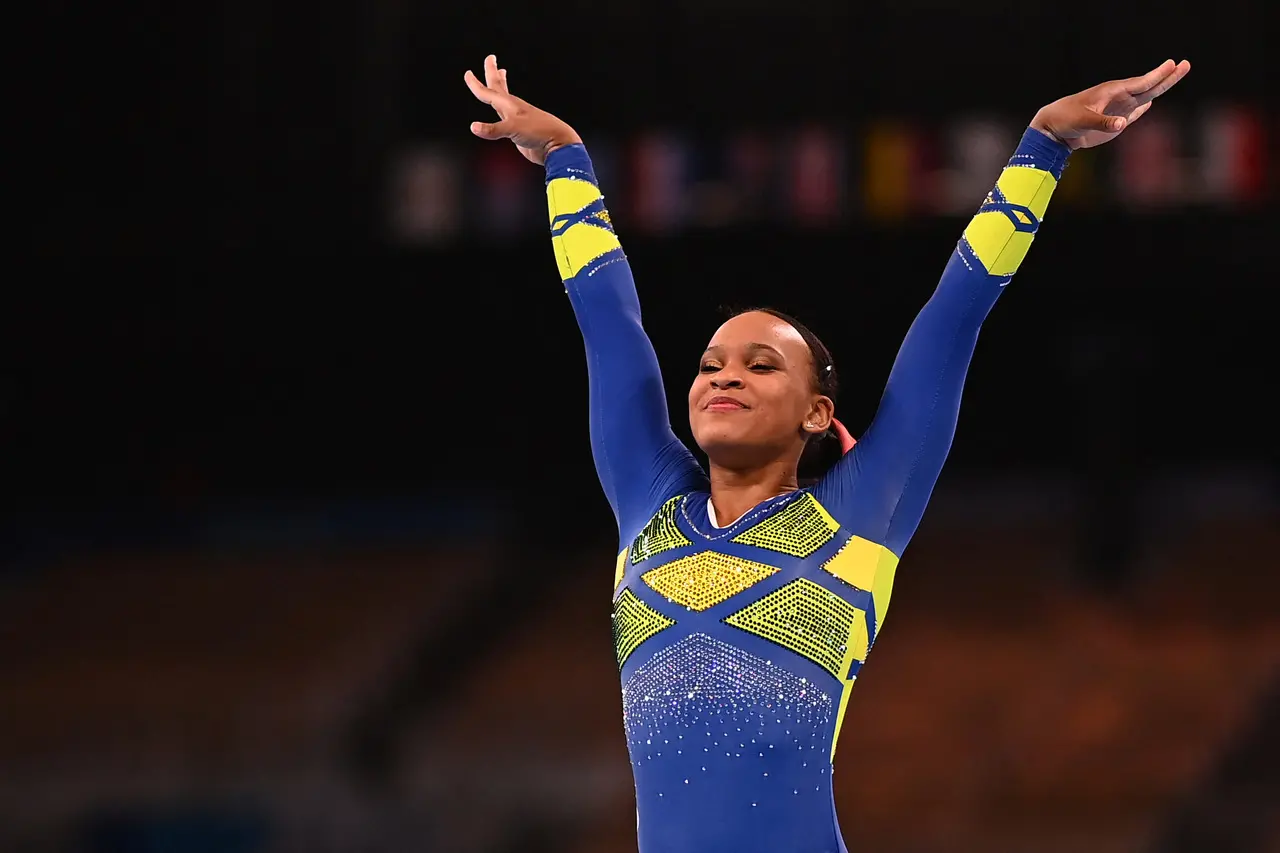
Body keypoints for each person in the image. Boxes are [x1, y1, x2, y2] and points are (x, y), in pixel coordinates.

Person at [464, 54, 1190, 853]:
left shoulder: (857, 516)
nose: (723, 376)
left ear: (818, 412)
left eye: (759, 364)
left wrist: (1042, 148)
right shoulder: (648, 503)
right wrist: (566, 157)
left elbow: (955, 314)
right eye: (710, 364)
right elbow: (609, 325)